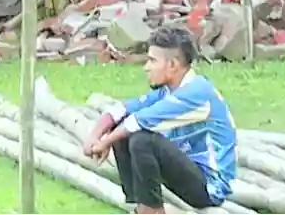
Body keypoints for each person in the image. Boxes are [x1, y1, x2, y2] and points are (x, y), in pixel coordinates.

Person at [82, 26, 238, 215]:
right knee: (122, 129)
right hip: (187, 170)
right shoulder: (167, 90)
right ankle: (137, 206)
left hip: (210, 187)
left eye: (152, 60)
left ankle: (152, 211)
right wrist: (94, 136)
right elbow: (121, 111)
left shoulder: (196, 93)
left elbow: (138, 121)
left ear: (172, 65)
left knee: (142, 139)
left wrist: (103, 143)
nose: (146, 67)